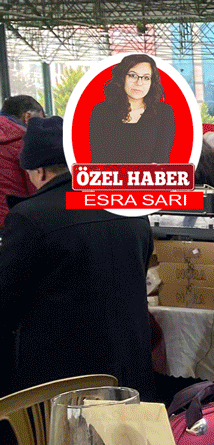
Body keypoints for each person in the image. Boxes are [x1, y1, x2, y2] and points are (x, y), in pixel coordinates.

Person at [0, 117, 154, 399]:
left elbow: (6, 300)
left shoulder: (29, 217)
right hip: (131, 373)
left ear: (40, 170)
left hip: (64, 382)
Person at [88, 53, 175, 164]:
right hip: (110, 179)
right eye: (132, 75)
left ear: (151, 82)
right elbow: (97, 160)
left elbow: (161, 161)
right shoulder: (101, 111)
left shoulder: (163, 112)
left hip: (149, 180)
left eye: (146, 78)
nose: (139, 83)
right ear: (122, 77)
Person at [0, 95, 43, 228]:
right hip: (13, 221)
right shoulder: (23, 141)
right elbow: (37, 190)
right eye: (40, 121)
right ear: (27, 117)